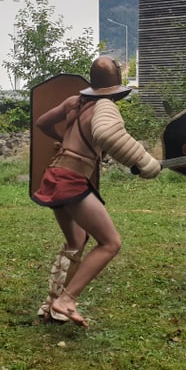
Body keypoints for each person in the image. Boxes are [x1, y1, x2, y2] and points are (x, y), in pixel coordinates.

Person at [32, 56, 161, 327]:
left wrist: (62, 141)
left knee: (75, 243)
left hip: (54, 174)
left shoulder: (74, 102)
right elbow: (109, 136)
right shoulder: (105, 106)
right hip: (72, 180)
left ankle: (52, 305)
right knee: (110, 243)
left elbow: (43, 121)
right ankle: (66, 300)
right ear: (116, 86)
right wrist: (144, 162)